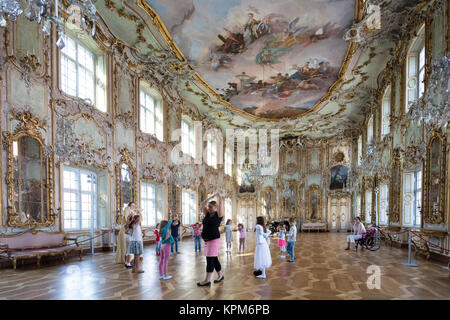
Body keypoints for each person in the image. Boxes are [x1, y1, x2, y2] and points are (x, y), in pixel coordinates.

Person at [197, 193, 224, 287]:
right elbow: (202, 204)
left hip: (214, 240)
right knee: (214, 258)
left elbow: (221, 204)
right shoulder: (207, 214)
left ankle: (207, 280)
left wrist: (219, 197)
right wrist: (210, 198)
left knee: (209, 259)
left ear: (216, 208)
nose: (209, 208)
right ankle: (220, 275)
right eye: (209, 207)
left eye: (211, 207)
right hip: (207, 240)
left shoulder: (218, 215)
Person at [115, 201, 139, 267]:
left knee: (127, 250)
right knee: (128, 250)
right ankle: (128, 262)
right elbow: (131, 228)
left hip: (127, 235)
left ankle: (126, 262)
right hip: (128, 236)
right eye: (132, 206)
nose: (133, 207)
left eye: (134, 206)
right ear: (129, 206)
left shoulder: (127, 224)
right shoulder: (130, 224)